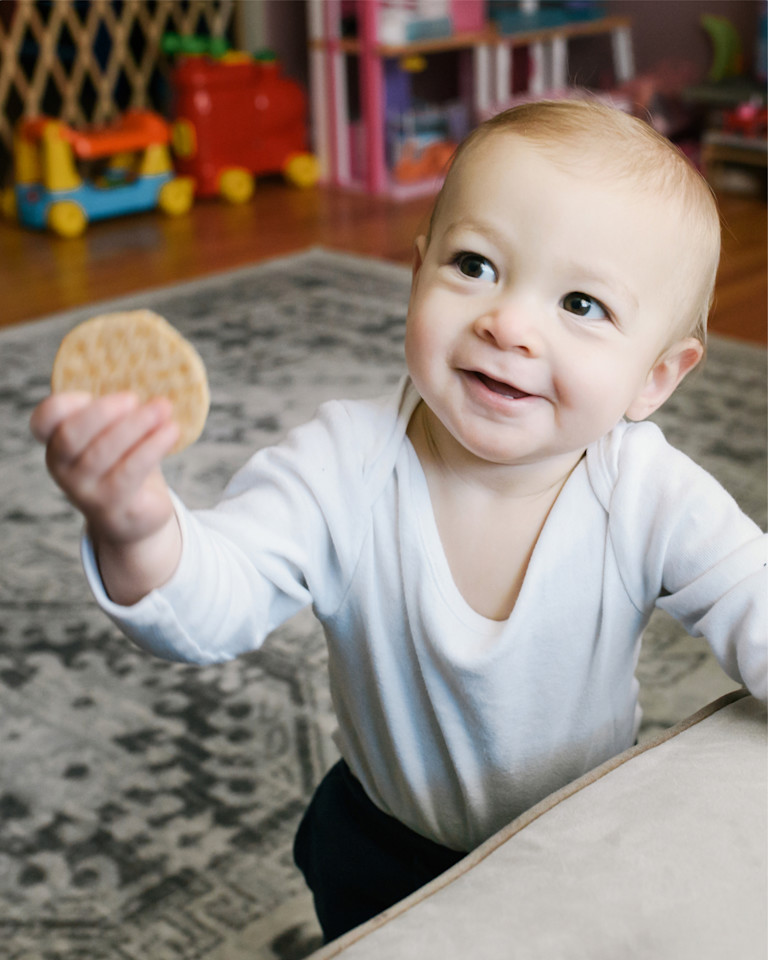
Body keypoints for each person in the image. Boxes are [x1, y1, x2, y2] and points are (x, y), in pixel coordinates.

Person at [30, 100, 767, 943]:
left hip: (574, 845)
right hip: (382, 846)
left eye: (582, 304)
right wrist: (135, 525)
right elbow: (211, 605)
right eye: (476, 265)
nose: (510, 323)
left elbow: (755, 595)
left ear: (656, 379)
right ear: (418, 275)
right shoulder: (342, 464)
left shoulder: (647, 491)